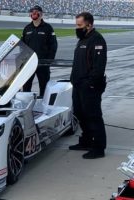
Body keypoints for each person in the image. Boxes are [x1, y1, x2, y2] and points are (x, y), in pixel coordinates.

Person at [68, 12, 107, 159]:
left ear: (89, 25)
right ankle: (86, 141)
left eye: (79, 25)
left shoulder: (97, 40)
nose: (77, 28)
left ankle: (98, 148)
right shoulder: (82, 40)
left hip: (90, 87)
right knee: (79, 113)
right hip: (78, 85)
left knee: (93, 116)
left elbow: (99, 66)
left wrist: (90, 83)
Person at [21, 5, 58, 96]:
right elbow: (22, 46)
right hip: (29, 63)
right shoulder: (27, 28)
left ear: (41, 14)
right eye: (32, 11)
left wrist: (49, 60)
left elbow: (53, 45)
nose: (34, 13)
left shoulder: (48, 28)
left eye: (36, 11)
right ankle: (26, 106)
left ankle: (43, 107)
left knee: (44, 87)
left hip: (43, 63)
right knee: (26, 88)